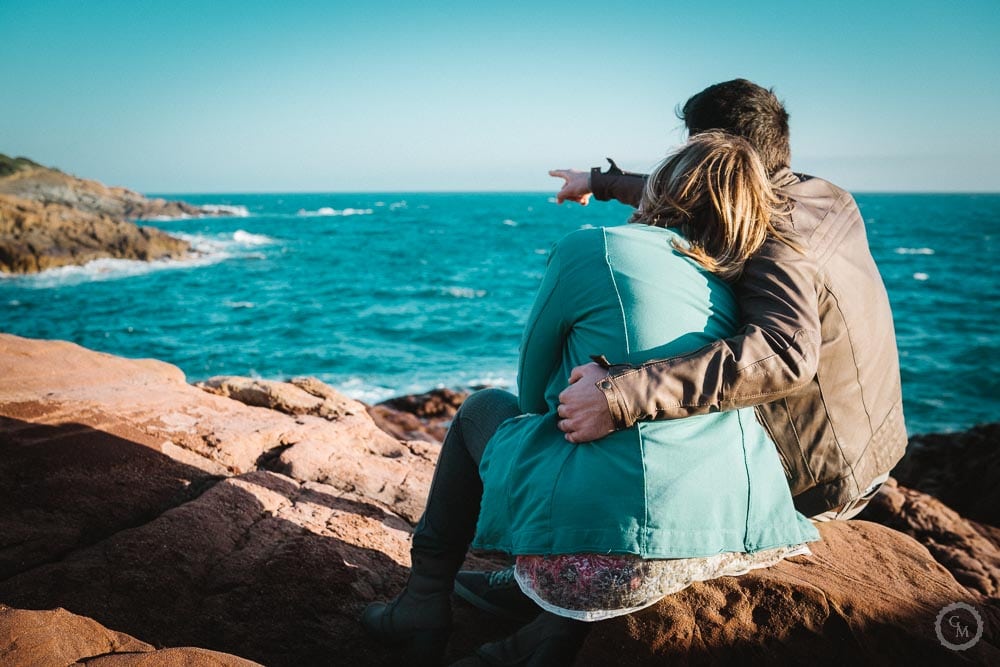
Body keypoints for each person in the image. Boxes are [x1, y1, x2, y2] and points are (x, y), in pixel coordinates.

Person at [455, 78, 906, 624]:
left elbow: (786, 352)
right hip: (871, 453)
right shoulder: (825, 195)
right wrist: (598, 182)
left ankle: (557, 575)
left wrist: (621, 395)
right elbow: (694, 190)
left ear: (712, 147)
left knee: (602, 399)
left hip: (812, 481)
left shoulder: (769, 229)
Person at [362, 132, 820, 666]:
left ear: (665, 188)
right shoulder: (738, 282)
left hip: (605, 556)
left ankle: (421, 603)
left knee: (481, 410)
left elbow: (533, 395)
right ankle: (547, 635)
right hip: (732, 540)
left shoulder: (591, 247)